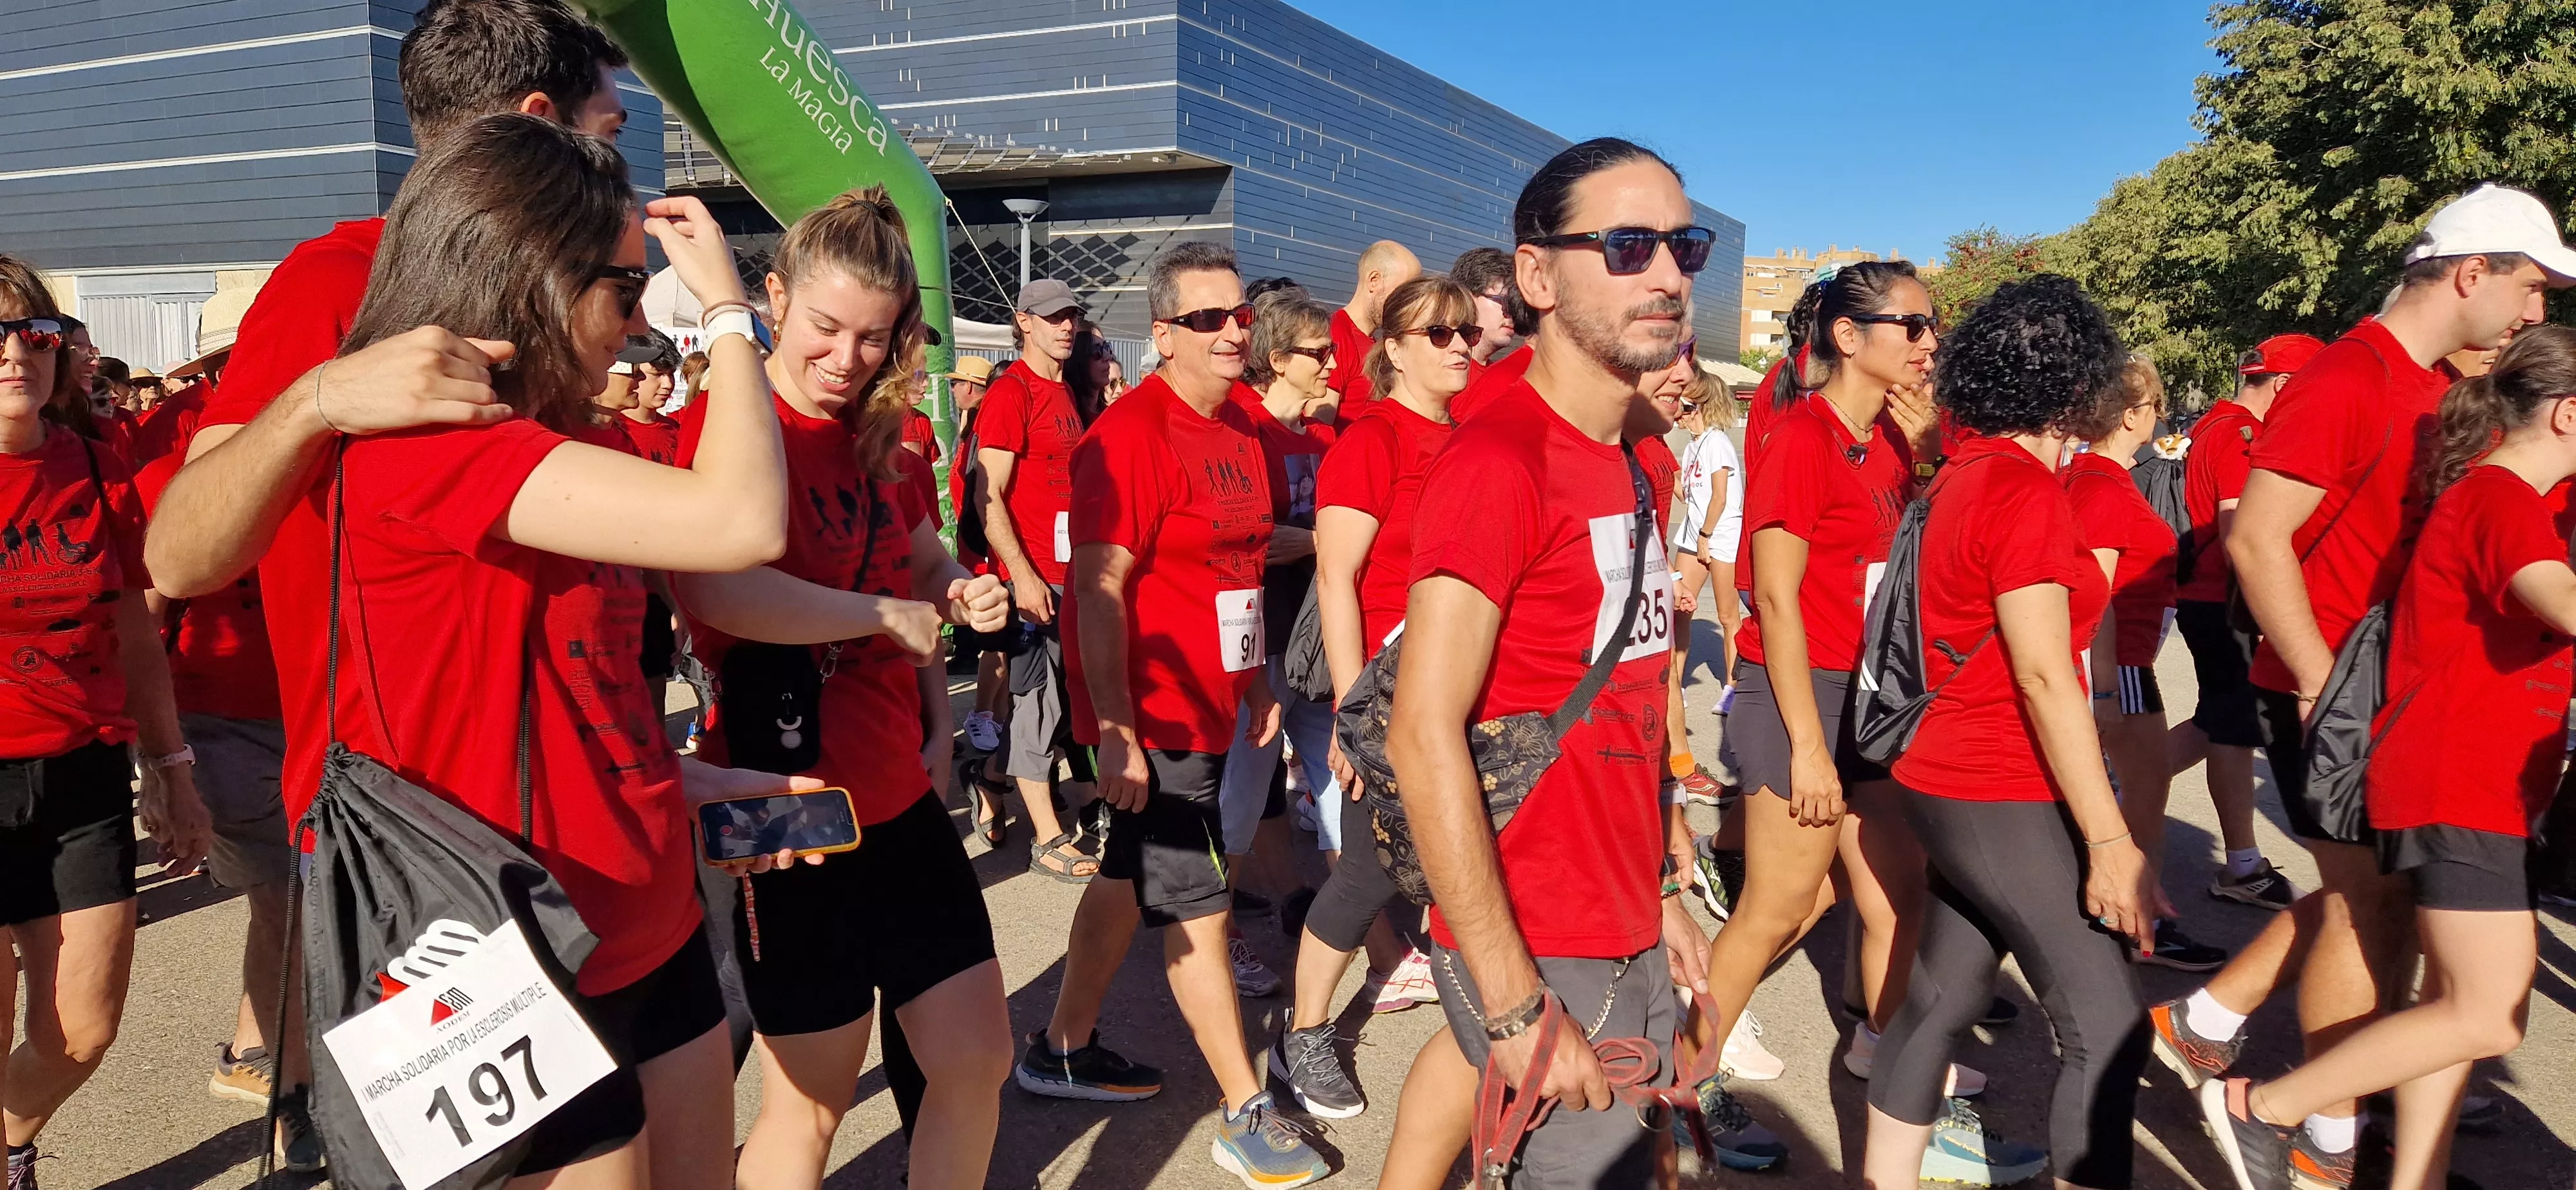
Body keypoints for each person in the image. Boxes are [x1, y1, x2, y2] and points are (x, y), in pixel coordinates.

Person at [302, 114, 815, 1190]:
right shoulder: (432, 452)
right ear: (530, 277)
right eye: (625, 292)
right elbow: (741, 521)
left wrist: (685, 779)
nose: (636, 325)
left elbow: (584, 698)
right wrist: (727, 310)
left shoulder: (571, 446)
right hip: (515, 946)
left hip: (649, 913)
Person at [2159, 184, 2567, 1190]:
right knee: (2367, 912)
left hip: (2388, 690)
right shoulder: (2348, 379)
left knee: (2382, 906)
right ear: (2472, 273)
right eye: (2530, 285)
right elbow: (2256, 537)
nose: (2537, 312)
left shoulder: (2426, 381)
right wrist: (2316, 680)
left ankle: (2223, 1036)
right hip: (2340, 690)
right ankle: (2314, 1134)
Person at [667, 187, 1014, 1190]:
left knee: (975, 1056)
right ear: (773, 298)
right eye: (824, 327)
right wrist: (875, 618)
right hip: (784, 807)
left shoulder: (883, 436)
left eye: (873, 337)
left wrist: (957, 592)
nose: (847, 358)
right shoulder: (733, 426)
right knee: (812, 1098)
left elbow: (914, 554)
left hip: (897, 795)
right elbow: (719, 589)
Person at [1386, 137, 1713, 1189]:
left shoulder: (1634, 463)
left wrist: (1660, 885)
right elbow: (1421, 728)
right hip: (1533, 926)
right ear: (1535, 277)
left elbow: (1628, 702)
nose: (1665, 271)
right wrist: (1514, 1000)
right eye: (1626, 245)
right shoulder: (1498, 459)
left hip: (1619, 909)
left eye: (1681, 244)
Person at [1014, 241, 1329, 1187]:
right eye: (1207, 320)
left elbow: (1236, 562)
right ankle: (1243, 1108)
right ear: (1163, 337)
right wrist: (1113, 727)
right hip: (1152, 711)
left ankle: (1062, 1045)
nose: (1232, 332)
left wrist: (1258, 679)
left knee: (1126, 872)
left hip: (1216, 703)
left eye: (1237, 316)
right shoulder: (1127, 438)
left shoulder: (1238, 430)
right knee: (1197, 906)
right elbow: (1098, 593)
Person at [1859, 274, 2154, 1190]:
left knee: (1942, 997)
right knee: (2108, 1030)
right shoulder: (2018, 490)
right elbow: (2041, 672)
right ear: (2078, 385)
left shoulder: (1967, 474)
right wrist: (2110, 841)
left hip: (1948, 774)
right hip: (1993, 777)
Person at [1700, 260, 1956, 1112]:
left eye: (1934, 327)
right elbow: (1774, 597)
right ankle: (1679, 1077)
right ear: (1850, 337)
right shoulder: (1803, 437)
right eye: (1912, 326)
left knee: (1895, 889)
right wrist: (1811, 748)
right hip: (1800, 689)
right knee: (1778, 906)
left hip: (1874, 691)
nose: (1930, 343)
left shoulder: (1898, 435)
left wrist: (1928, 461)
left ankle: (1883, 1052)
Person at [0, 259, 211, 1190]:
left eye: (35, 334)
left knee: (81, 1030)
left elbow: (133, 626)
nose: (17, 352)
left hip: (84, 774)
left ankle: (9, 1142)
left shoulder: (95, 462)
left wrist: (172, 765)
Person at [1273, 276, 1473, 1126]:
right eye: (1440, 334)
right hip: (1392, 683)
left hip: (1464, 678)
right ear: (1392, 348)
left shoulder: (1470, 436)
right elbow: (1337, 575)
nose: (1463, 345)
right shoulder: (1374, 439)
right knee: (1367, 868)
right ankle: (1305, 1032)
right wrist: (1357, 715)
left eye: (1467, 332)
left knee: (1455, 857)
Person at [129, 444, 308, 1167]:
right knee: (286, 902)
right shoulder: (173, 464)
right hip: (222, 721)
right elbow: (141, 613)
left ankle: (254, 1051)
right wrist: (161, 761)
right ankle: (292, 1101)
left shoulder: (364, 440)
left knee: (306, 909)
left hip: (337, 716)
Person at [2064, 356, 2229, 973]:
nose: (2159, 418)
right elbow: (2095, 595)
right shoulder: (2103, 487)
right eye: (2154, 407)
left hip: (2127, 662)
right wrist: (2105, 687)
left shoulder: (2090, 478)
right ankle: (2141, 925)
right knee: (2143, 799)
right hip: (2125, 667)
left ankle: (2129, 919)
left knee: (2131, 793)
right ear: (2132, 415)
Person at [2166, 334, 2325, 913]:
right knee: (2232, 727)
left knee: (2221, 722)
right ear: (2285, 387)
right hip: (2225, 600)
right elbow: (2241, 537)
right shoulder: (2241, 436)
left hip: (2211, 597)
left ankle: (2111, 791)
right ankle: (2241, 864)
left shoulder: (2215, 425)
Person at [1215, 290, 1338, 999]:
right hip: (1258, 646)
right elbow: (1231, 541)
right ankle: (1219, 932)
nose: (1330, 365)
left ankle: (1363, 934)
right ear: (1278, 359)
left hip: (1316, 642)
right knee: (1242, 793)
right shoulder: (1246, 432)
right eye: (1317, 354)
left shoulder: (1322, 437)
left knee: (1334, 783)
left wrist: (1313, 542)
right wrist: (1296, 544)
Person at [976, 278, 1101, 881]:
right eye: (1052, 317)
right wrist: (1022, 577)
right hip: (1034, 583)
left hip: (1072, 576)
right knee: (1036, 706)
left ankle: (991, 779)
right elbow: (987, 494)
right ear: (1023, 321)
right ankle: (1046, 837)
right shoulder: (1011, 392)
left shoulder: (1068, 392)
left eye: (1072, 315)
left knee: (1068, 703)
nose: (1065, 326)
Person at [1327, 240, 1421, 417]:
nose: (1408, 303)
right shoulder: (1336, 335)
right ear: (1374, 281)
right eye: (1403, 292)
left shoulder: (1378, 343)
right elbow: (1320, 428)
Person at [1448, 245, 1527, 368]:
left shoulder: (1505, 378)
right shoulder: (1439, 374)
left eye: (1515, 304)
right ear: (1467, 299)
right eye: (1505, 302)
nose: (1512, 313)